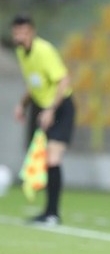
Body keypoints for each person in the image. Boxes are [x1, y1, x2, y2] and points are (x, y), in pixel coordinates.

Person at [11, 15, 76, 225]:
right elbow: (35, 83)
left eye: (24, 31)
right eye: (17, 32)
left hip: (61, 107)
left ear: (32, 31)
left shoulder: (44, 50)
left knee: (53, 158)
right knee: (43, 158)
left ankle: (53, 213)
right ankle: (48, 212)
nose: (20, 36)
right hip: (42, 107)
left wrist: (50, 109)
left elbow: (63, 79)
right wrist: (22, 104)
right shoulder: (21, 52)